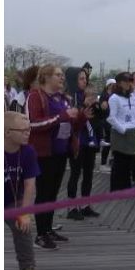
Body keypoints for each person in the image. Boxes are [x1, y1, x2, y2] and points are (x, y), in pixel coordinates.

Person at [26, 65, 88, 248]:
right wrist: (61, 116)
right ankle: (40, 235)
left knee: (53, 193)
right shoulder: (36, 96)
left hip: (61, 152)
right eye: (58, 75)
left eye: (62, 75)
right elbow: (33, 125)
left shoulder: (63, 98)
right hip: (43, 153)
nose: (62, 78)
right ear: (46, 77)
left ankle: (48, 229)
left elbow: (71, 125)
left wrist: (82, 117)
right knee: (43, 193)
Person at [4, 112, 46, 270]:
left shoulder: (28, 151)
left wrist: (25, 213)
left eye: (28, 129)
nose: (27, 133)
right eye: (22, 130)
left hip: (13, 200)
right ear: (7, 132)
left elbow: (30, 184)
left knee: (23, 226)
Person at [64, 68, 102, 220]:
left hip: (90, 140)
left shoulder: (87, 95)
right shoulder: (70, 98)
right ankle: (72, 207)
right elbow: (71, 120)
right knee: (75, 173)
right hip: (77, 140)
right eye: (81, 78)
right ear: (73, 80)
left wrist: (99, 107)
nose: (84, 81)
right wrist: (82, 106)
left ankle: (85, 204)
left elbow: (99, 118)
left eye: (85, 78)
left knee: (88, 173)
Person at [107, 71, 135, 191]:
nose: (129, 83)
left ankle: (126, 188)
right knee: (119, 163)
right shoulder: (114, 98)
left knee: (128, 162)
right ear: (120, 83)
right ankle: (115, 189)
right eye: (127, 81)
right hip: (120, 133)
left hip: (133, 132)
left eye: (131, 81)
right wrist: (123, 129)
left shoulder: (132, 96)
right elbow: (111, 118)